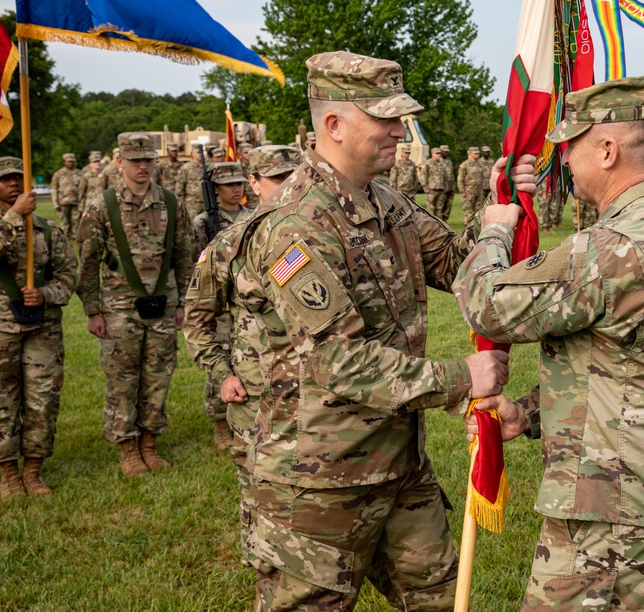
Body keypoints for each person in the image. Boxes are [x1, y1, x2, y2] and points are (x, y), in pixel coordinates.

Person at [233, 50, 533, 610]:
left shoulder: (389, 202)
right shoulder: (293, 228)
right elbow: (336, 361)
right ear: (333, 124)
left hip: (398, 466)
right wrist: (459, 377)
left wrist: (502, 208)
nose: (400, 129)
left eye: (400, 116)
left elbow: (461, 265)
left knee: (443, 600)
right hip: (319, 483)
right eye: (385, 118)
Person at [454, 74, 644, 610]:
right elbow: (636, 368)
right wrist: (528, 413)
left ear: (606, 150)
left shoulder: (613, 248)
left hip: (615, 513)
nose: (564, 164)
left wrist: (494, 225)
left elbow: (486, 304)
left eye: (570, 148)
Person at [184, 144, 299, 566]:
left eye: (294, 176)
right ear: (254, 184)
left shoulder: (319, 232)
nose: (289, 187)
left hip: (316, 391)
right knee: (257, 482)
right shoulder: (230, 242)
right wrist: (221, 373)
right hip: (254, 391)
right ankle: (264, 565)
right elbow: (196, 316)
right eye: (277, 179)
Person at [76, 132, 194, 478]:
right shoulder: (102, 206)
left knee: (159, 375)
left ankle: (149, 443)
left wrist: (184, 303)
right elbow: (88, 262)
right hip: (118, 307)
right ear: (119, 162)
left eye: (147, 160)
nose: (142, 166)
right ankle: (127, 447)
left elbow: (185, 257)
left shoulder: (172, 204)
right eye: (134, 160)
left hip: (163, 303)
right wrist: (93, 310)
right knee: (122, 378)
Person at [0, 157, 77, 499]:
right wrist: (14, 215)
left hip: (42, 327)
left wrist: (45, 294)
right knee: (3, 399)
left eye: (20, 177)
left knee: (43, 400)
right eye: (6, 179)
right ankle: (7, 473)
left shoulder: (47, 229)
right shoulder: (11, 221)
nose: (14, 183)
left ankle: (33, 469)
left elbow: (68, 275)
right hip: (2, 329)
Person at [190, 161, 252, 450]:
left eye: (240, 183)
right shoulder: (203, 223)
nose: (237, 188)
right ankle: (219, 423)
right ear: (216, 190)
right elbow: (197, 264)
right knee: (221, 358)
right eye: (230, 185)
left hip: (244, 299)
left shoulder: (252, 216)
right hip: (217, 300)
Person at [50, 153, 83, 240]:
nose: (71, 163)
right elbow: (54, 189)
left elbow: (83, 189)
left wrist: (82, 202)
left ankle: (75, 239)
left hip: (76, 201)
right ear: (64, 162)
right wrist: (55, 203)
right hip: (63, 202)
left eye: (72, 161)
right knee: (65, 222)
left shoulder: (79, 173)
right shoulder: (59, 174)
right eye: (69, 161)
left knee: (76, 222)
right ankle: (64, 238)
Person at [457, 147, 487, 227]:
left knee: (479, 211)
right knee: (469, 211)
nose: (477, 155)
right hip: (469, 191)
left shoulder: (479, 164)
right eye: (475, 153)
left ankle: (477, 227)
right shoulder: (464, 165)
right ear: (470, 154)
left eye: (478, 153)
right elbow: (460, 179)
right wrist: (462, 191)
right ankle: (469, 229)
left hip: (479, 191)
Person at [177, 145, 206, 219]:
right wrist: (181, 206)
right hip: (192, 205)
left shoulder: (207, 167)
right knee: (192, 228)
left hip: (206, 204)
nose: (201, 154)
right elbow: (180, 188)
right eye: (198, 152)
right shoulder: (186, 168)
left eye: (202, 152)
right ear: (192, 153)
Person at [421, 147, 447, 219]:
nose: (439, 155)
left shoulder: (442, 164)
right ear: (432, 154)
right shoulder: (428, 163)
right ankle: (431, 224)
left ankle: (439, 224)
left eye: (440, 153)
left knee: (439, 208)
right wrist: (425, 187)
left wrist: (445, 187)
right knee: (431, 208)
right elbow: (422, 176)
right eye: (437, 153)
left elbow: (445, 176)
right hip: (431, 189)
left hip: (441, 188)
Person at [439, 144, 455, 221]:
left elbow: (451, 174)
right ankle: (439, 221)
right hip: (442, 187)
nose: (446, 153)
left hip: (450, 187)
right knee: (440, 206)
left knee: (448, 205)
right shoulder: (438, 162)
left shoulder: (449, 162)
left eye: (447, 152)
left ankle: (445, 220)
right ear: (441, 152)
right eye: (444, 152)